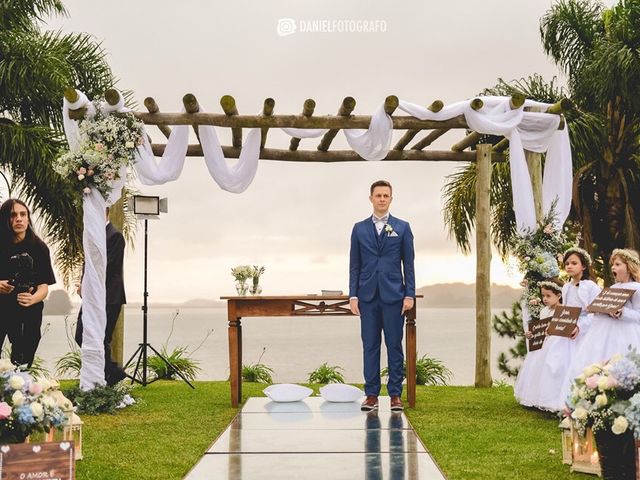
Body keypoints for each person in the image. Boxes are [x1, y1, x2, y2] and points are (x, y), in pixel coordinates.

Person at [349, 180, 415, 412]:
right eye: (378, 195)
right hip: (367, 297)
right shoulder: (359, 229)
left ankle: (395, 394)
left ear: (391, 199)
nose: (382, 199)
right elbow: (354, 265)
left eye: (386, 195)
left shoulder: (403, 227)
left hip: (394, 296)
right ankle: (371, 395)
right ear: (371, 198)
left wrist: (410, 294)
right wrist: (353, 295)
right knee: (370, 346)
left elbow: (409, 264)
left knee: (394, 345)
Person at [563, 249, 640, 391]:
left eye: (617, 264)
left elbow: (638, 314)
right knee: (602, 363)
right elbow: (605, 307)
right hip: (607, 333)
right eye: (612, 265)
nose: (613, 268)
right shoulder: (613, 287)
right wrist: (599, 309)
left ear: (629, 267)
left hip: (627, 334)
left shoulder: (637, 288)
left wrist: (623, 312)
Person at [536, 247, 601, 411]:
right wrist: (554, 326)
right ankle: (556, 401)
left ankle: (580, 401)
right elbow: (565, 311)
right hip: (566, 329)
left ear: (583, 266)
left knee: (579, 365)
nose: (569, 266)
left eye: (574, 263)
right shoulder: (566, 287)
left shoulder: (591, 286)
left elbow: (596, 313)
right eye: (567, 263)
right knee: (555, 362)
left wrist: (579, 326)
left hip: (584, 330)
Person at [0, 199, 55, 367]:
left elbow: (43, 286)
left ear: (28, 218)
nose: (19, 219)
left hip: (29, 308)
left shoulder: (39, 247)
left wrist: (33, 299)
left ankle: (19, 389)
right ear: (4, 219)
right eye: (13, 215)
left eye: (23, 214)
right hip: (2, 306)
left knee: (23, 359)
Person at [75, 208, 127, 386]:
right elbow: (88, 265)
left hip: (110, 297)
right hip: (92, 297)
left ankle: (108, 376)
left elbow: (106, 267)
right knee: (81, 334)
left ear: (106, 213)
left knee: (102, 338)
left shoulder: (115, 236)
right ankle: (112, 371)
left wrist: (87, 286)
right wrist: (83, 285)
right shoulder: (93, 236)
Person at [514, 278, 563, 407]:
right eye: (543, 296)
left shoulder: (563, 310)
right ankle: (537, 398)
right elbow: (540, 329)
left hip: (557, 343)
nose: (545, 299)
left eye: (548, 296)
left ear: (558, 295)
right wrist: (532, 334)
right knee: (536, 369)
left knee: (551, 368)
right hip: (543, 343)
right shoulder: (544, 311)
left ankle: (553, 399)